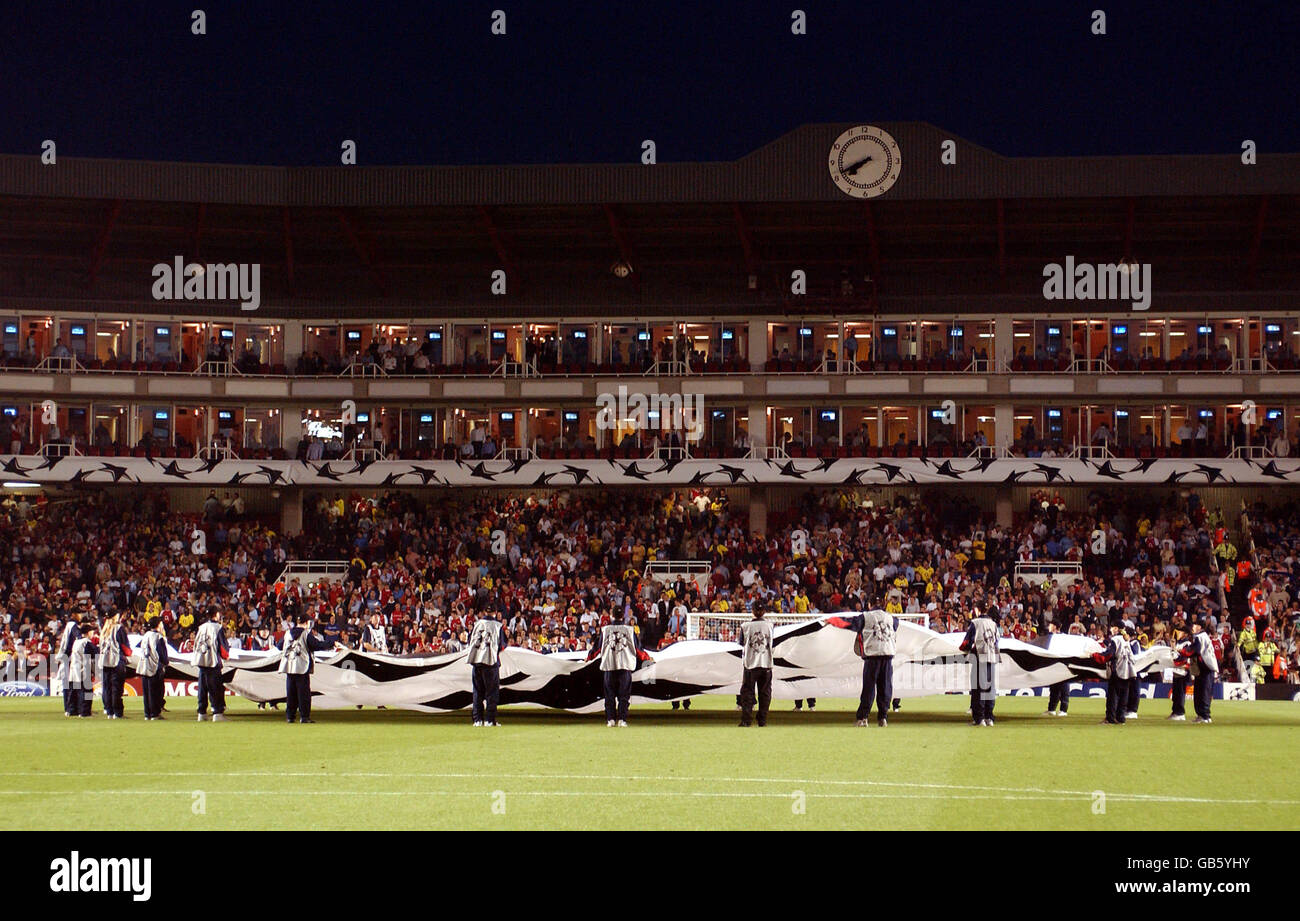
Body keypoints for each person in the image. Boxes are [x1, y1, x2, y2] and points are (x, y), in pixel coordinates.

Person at [831, 605, 897, 727]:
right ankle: (883, 718)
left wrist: (832, 620)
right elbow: (896, 627)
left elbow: (848, 623)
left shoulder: (865, 617)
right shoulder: (891, 618)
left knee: (869, 688)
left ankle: (863, 718)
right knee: (886, 688)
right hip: (888, 655)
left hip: (872, 656)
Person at [278, 614, 339, 724]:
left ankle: (290, 716)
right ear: (306, 623)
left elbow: (279, 646)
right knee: (304, 694)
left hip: (289, 666)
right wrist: (332, 643)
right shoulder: (305, 634)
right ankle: (304, 716)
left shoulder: (287, 633)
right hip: (302, 666)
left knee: (291, 693)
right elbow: (317, 645)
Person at [586, 616, 646, 727]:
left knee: (609, 695)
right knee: (624, 695)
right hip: (625, 666)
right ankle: (622, 719)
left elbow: (597, 648)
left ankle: (610, 719)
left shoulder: (605, 630)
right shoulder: (629, 630)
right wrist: (647, 657)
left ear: (612, 616)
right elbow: (638, 648)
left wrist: (589, 657)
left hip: (609, 666)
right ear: (623, 616)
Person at [960, 607, 1001, 726]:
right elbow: (997, 640)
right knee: (990, 688)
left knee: (978, 688)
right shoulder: (994, 624)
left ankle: (979, 718)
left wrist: (965, 650)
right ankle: (989, 717)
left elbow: (967, 642)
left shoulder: (975, 623)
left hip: (979, 657)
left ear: (977, 610)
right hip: (992, 658)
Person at [465, 612, 508, 727]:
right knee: (492, 692)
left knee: (477, 692)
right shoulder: (498, 626)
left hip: (477, 661)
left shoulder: (476, 624)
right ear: (495, 613)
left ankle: (477, 719)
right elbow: (502, 645)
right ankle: (490, 719)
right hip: (490, 662)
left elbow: (470, 641)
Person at [738, 604, 774, 727]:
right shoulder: (770, 626)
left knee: (747, 693)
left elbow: (741, 643)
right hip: (766, 663)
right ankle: (762, 720)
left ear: (752, 611)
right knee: (765, 693)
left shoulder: (745, 626)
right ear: (764, 611)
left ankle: (746, 720)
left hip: (750, 664)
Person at [1094, 623, 1136, 725]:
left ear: (1116, 628)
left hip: (1118, 670)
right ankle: (1120, 718)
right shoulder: (1126, 639)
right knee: (1123, 696)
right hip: (1129, 671)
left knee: (1113, 696)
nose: (1110, 629)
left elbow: (1109, 654)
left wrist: (1096, 655)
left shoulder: (1116, 639)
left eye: (1112, 627)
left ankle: (1110, 719)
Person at [193, 608, 230, 722]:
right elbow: (223, 647)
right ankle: (217, 712)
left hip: (201, 660)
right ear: (216, 615)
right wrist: (226, 655)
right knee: (215, 687)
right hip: (213, 661)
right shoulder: (217, 628)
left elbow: (196, 644)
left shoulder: (201, 627)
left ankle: (202, 712)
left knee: (202, 688)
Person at [97, 613, 131, 719]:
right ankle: (117, 712)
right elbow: (125, 646)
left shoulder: (104, 630)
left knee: (107, 687)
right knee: (117, 687)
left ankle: (109, 711)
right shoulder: (118, 628)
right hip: (116, 660)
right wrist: (127, 654)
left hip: (104, 661)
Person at [135, 616, 169, 720]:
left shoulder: (146, 635)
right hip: (155, 667)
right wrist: (166, 663)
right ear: (158, 625)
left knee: (147, 692)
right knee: (156, 691)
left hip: (144, 665)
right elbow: (162, 654)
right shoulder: (159, 637)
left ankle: (147, 713)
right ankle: (155, 713)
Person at [1188, 620, 1219, 724]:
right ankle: (1202, 715)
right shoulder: (1202, 636)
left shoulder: (1200, 637)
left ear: (1200, 627)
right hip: (1203, 668)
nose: (1192, 626)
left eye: (1195, 624)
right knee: (1200, 692)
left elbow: (1194, 650)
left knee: (1203, 692)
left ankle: (1205, 716)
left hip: (1206, 668)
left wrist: (1182, 651)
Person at [55, 612, 82, 717]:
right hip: (70, 658)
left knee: (67, 684)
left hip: (65, 658)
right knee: (72, 684)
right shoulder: (73, 626)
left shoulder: (68, 625)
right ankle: (72, 708)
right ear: (75, 614)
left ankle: (68, 708)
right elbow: (78, 638)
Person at [68, 627, 99, 718]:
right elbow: (94, 655)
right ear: (88, 632)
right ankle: (85, 712)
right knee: (87, 692)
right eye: (92, 631)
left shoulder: (76, 641)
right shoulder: (86, 642)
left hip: (74, 670)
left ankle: (72, 710)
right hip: (83, 670)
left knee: (74, 692)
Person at [1042, 622, 1070, 717]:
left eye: (1050, 625)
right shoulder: (1049, 637)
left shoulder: (1063, 637)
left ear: (1054, 626)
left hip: (1063, 665)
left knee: (1064, 687)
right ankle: (1052, 709)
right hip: (1053, 665)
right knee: (1054, 688)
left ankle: (1063, 710)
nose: (1048, 627)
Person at [1125, 630, 1144, 719]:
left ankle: (1133, 710)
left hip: (1136, 670)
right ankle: (1128, 709)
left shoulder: (1135, 643)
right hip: (1130, 670)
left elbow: (1134, 655)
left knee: (1134, 690)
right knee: (1130, 690)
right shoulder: (1131, 643)